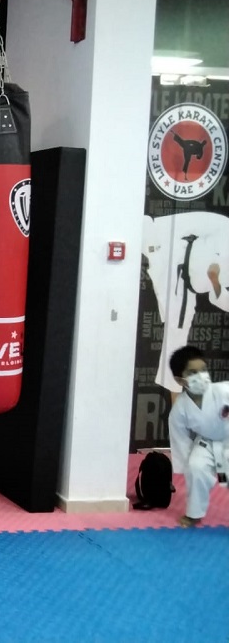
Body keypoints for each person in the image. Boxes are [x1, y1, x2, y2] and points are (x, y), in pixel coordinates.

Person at [142, 212, 229, 400]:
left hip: (186, 284)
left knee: (177, 334)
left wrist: (215, 281)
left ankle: (176, 404)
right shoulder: (224, 226)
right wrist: (157, 244)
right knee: (177, 333)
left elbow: (219, 298)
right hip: (176, 260)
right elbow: (186, 223)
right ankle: (176, 404)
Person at [167, 345, 229, 528]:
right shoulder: (180, 409)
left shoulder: (223, 391)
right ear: (180, 380)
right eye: (193, 372)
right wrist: (184, 466)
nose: (201, 376)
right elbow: (180, 440)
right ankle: (194, 514)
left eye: (203, 370)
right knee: (196, 467)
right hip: (206, 443)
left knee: (226, 477)